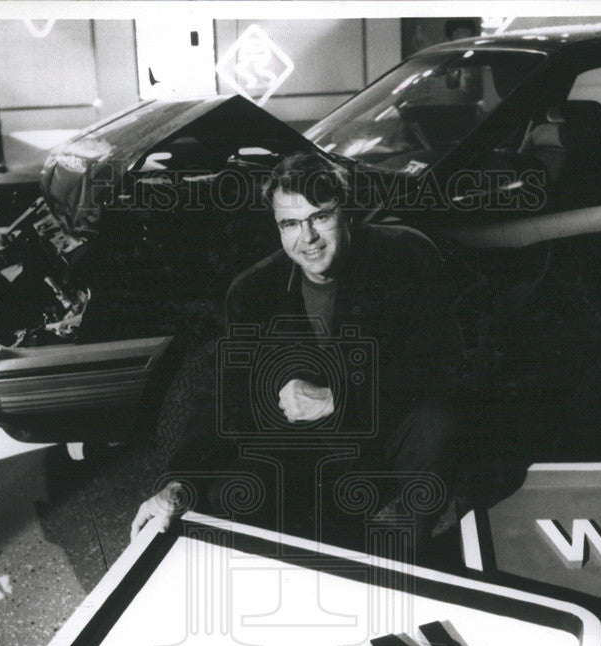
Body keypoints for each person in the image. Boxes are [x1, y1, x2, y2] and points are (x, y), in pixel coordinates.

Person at [131, 153, 465, 551]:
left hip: (387, 439)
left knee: (437, 426)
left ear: (346, 212)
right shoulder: (253, 290)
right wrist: (179, 483)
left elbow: (445, 363)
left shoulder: (406, 254)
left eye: (320, 217)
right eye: (290, 223)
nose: (307, 238)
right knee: (225, 493)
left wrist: (337, 397)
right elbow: (227, 400)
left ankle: (406, 565)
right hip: (311, 457)